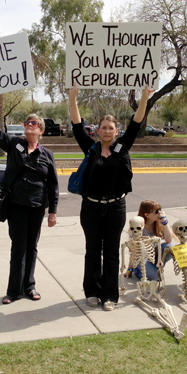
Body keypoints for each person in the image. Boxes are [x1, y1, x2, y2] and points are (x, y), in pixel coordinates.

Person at [68, 83, 153, 311]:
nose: (107, 131)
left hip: (116, 208)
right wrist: (73, 98)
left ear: (117, 132)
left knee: (112, 251)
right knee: (93, 251)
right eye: (103, 127)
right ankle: (92, 291)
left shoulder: (122, 148)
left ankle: (110, 296)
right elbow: (77, 126)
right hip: (91, 208)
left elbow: (136, 122)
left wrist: (144, 97)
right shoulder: (91, 149)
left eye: (111, 128)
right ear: (97, 131)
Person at [0, 92, 58, 304]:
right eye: (27, 122)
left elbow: (53, 185)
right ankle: (13, 290)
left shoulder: (47, 155)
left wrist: (52, 212)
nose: (29, 125)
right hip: (16, 205)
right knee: (18, 247)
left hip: (36, 207)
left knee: (31, 247)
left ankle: (29, 286)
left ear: (41, 130)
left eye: (34, 123)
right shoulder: (15, 145)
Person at [124, 200, 175, 281]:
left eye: (160, 210)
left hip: (153, 255)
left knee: (170, 247)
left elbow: (168, 240)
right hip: (141, 258)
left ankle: (156, 269)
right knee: (155, 277)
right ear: (147, 215)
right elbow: (134, 250)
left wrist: (165, 222)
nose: (160, 213)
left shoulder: (158, 224)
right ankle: (137, 270)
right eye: (156, 211)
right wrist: (129, 269)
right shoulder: (138, 228)